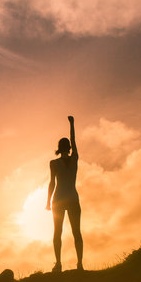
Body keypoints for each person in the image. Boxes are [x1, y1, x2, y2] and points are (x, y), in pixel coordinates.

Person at [46, 116, 83, 272]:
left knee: (57, 232)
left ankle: (58, 264)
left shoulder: (54, 163)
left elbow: (52, 184)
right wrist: (72, 124)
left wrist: (47, 202)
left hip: (59, 200)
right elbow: (73, 140)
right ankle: (79, 264)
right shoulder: (74, 158)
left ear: (59, 148)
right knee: (76, 232)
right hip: (73, 199)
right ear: (68, 148)